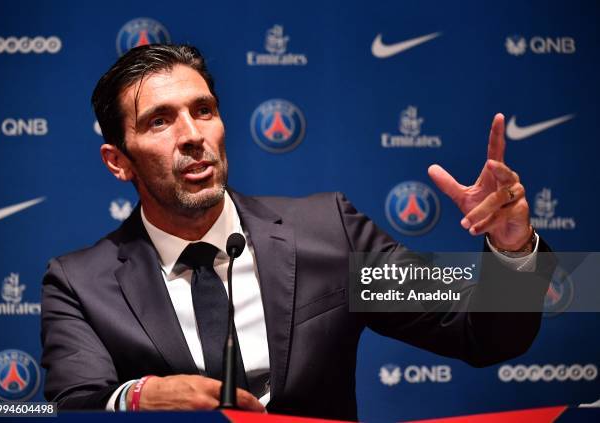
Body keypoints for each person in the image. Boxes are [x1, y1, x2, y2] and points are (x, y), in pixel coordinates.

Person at [41, 44, 553, 420]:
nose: (193, 136)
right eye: (159, 122)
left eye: (204, 111)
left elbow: (480, 332)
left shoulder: (327, 236)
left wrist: (511, 249)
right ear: (118, 162)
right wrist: (140, 397)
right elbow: (73, 406)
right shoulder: (82, 284)